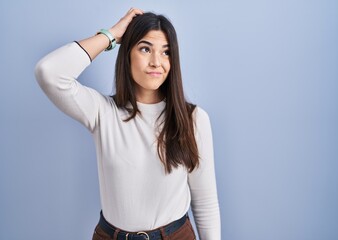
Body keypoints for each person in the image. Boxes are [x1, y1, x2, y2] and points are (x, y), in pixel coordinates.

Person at [35, 7, 220, 240]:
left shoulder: (193, 119)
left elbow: (205, 202)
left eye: (166, 52)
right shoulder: (102, 112)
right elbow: (48, 72)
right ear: (127, 54)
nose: (156, 62)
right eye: (145, 49)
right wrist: (112, 34)